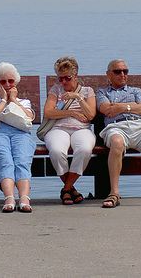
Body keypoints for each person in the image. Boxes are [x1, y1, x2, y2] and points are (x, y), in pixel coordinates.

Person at [96, 59, 141, 208]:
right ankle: (114, 193)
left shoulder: (137, 91)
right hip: (116, 127)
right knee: (117, 143)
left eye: (125, 71)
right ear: (108, 74)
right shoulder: (101, 93)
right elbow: (107, 109)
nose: (122, 75)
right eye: (117, 71)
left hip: (140, 126)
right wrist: (133, 107)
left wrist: (123, 108)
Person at [0, 62, 36, 213]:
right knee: (5, 161)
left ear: (16, 82)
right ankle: (9, 198)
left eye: (10, 81)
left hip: (20, 133)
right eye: (3, 81)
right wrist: (4, 100)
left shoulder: (24, 101)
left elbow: (29, 117)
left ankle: (24, 198)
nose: (7, 84)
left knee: (22, 160)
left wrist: (14, 100)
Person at [43, 57, 96, 204]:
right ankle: (71, 188)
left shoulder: (87, 91)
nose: (64, 82)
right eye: (60, 79)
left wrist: (78, 97)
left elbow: (90, 114)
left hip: (82, 129)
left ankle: (66, 189)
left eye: (67, 78)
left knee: (85, 149)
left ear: (76, 75)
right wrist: (71, 113)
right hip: (58, 128)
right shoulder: (55, 90)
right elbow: (48, 112)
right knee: (56, 150)